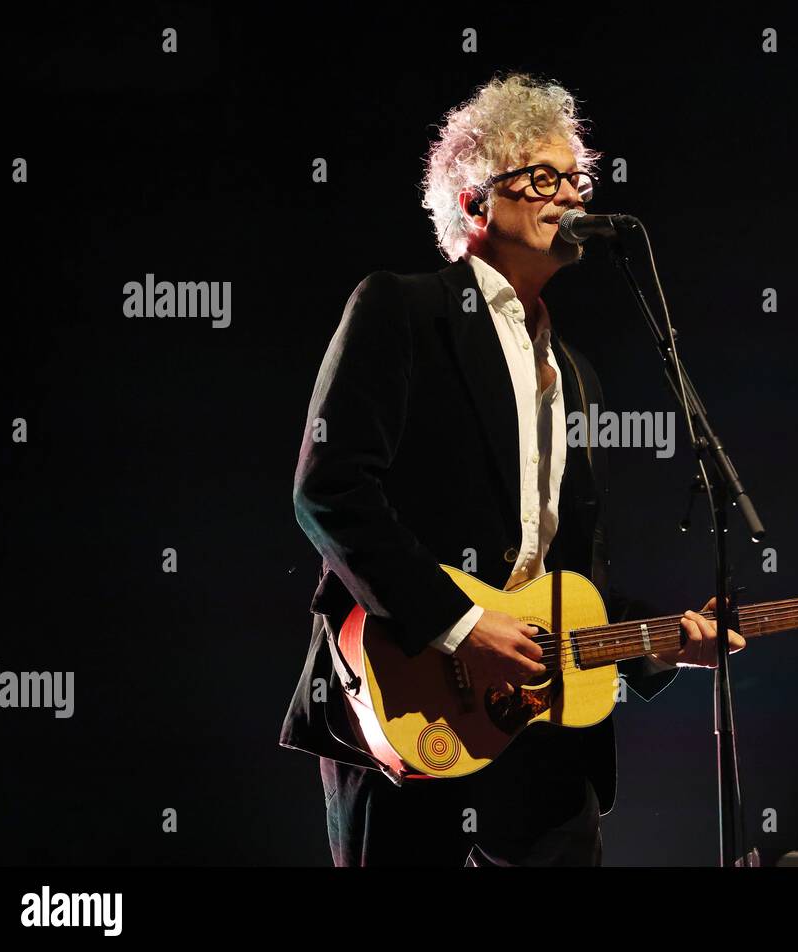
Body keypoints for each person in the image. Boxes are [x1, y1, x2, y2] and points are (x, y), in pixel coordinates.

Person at [279, 72, 744, 866]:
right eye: (540, 175)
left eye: (577, 177)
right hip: (411, 691)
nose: (567, 194)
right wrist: (463, 626)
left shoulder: (577, 374)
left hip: (543, 724)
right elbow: (329, 490)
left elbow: (565, 577)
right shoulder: (403, 306)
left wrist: (664, 643)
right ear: (473, 201)